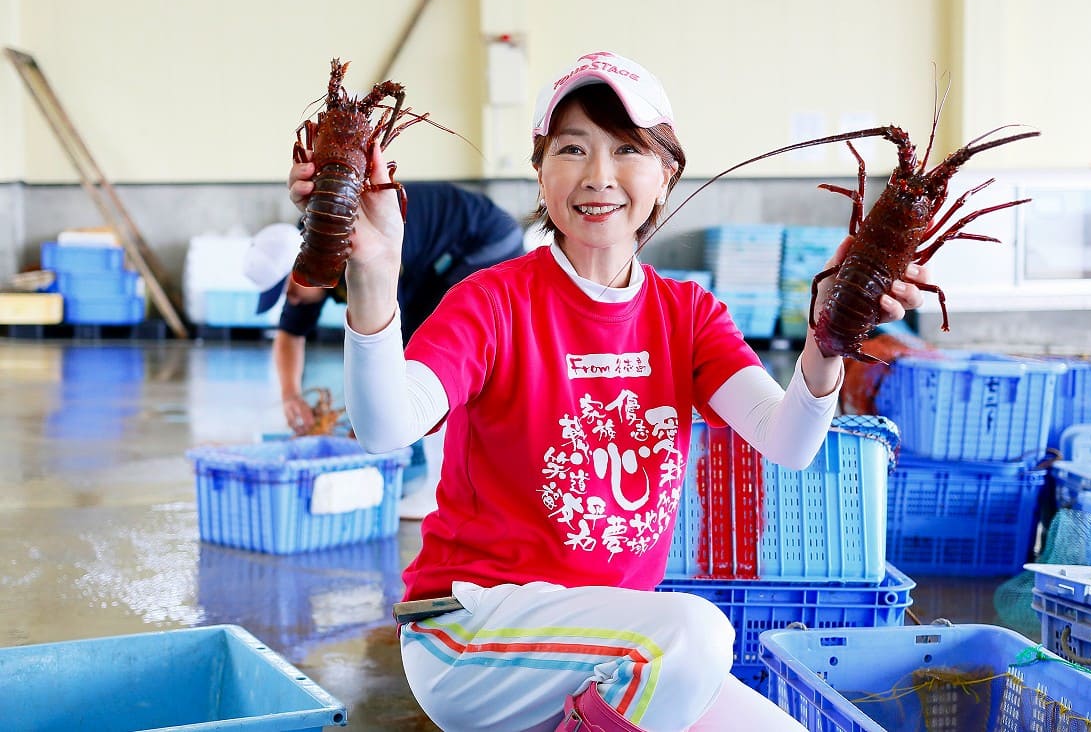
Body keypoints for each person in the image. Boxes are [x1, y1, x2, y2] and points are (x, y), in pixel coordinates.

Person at [288, 51, 926, 731]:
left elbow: (790, 442)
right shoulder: (493, 301)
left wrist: (828, 339)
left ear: (666, 173)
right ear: (540, 169)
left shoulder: (689, 314)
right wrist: (376, 274)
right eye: (572, 148)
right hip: (473, 631)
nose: (598, 175)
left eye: (628, 149)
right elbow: (387, 425)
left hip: (614, 650)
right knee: (695, 634)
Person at [244, 182, 524, 520]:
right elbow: (289, 334)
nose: (291, 302)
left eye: (288, 293)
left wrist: (370, 418)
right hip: (437, 260)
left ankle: (439, 489)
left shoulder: (348, 245)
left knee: (432, 355)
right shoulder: (309, 267)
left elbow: (392, 346)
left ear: (302, 264)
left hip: (483, 239)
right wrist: (290, 396)